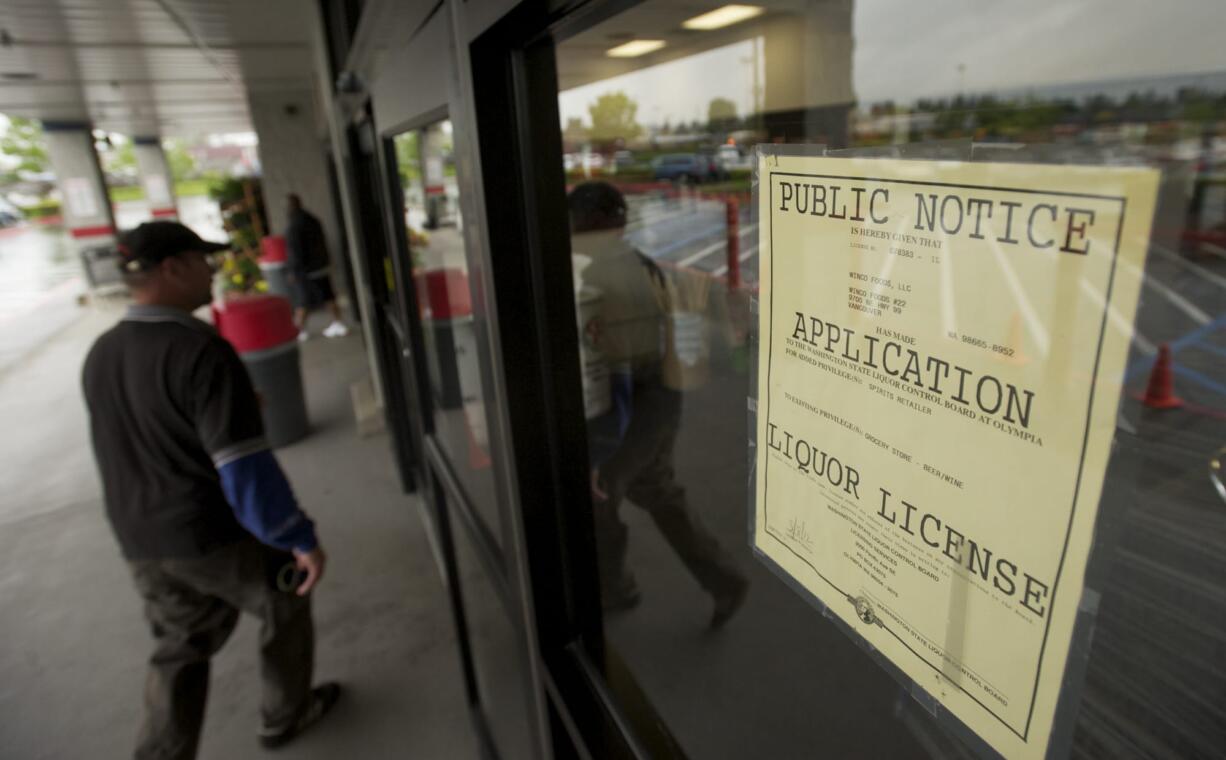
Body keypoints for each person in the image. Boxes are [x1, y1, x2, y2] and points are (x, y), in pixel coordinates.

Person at [82, 221, 340, 759]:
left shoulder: (102, 352)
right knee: (286, 596)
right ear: (173, 268)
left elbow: (147, 431)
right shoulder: (199, 350)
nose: (212, 271)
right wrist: (297, 535)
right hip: (208, 533)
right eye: (203, 261)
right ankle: (284, 714)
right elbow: (243, 468)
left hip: (140, 538)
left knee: (179, 647)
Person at [569, 181, 748, 629]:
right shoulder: (628, 266)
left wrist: (599, 448)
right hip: (654, 401)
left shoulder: (604, 274)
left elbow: (615, 373)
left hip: (641, 405)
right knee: (655, 491)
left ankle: (615, 587)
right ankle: (724, 580)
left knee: (601, 491)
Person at [285, 193, 349, 341]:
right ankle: (338, 322)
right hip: (320, 265)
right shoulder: (311, 219)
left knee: (303, 300)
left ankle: (300, 330)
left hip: (307, 270)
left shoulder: (295, 224)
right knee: (328, 295)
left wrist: (294, 271)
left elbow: (295, 251)